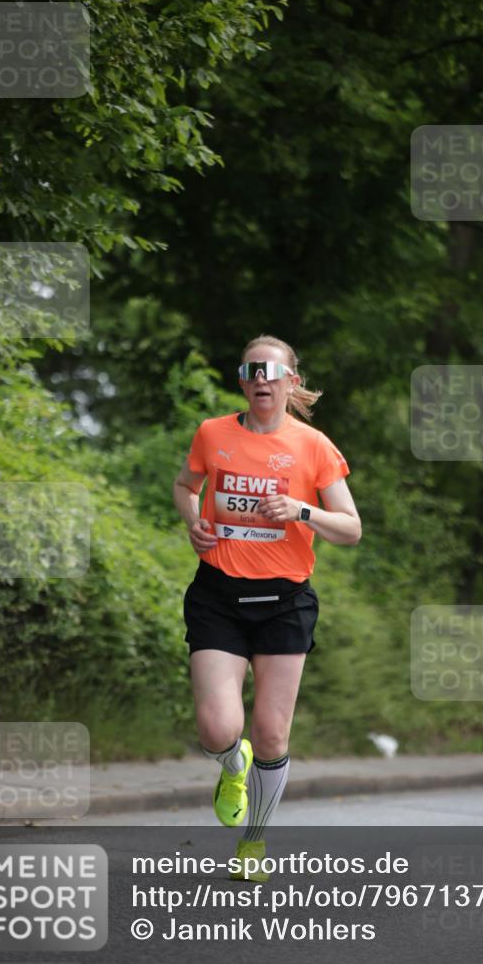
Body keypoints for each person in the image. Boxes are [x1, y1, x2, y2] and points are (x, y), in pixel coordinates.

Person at [173, 335, 361, 880]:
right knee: (216, 726)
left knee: (273, 734)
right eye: (251, 369)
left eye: (271, 370)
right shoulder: (213, 434)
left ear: (290, 382)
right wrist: (194, 523)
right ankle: (234, 766)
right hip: (218, 596)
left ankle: (252, 846)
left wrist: (302, 510)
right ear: (242, 380)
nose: (261, 378)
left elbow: (350, 529)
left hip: (284, 603)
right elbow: (186, 486)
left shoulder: (314, 446)